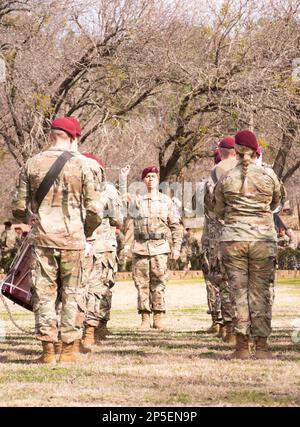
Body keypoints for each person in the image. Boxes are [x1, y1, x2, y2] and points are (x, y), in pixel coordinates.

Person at [12, 116, 104, 364]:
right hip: (73, 239)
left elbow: (18, 207)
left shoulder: (32, 164)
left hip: (42, 239)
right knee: (73, 294)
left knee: (43, 295)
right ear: (74, 137)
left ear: (51, 135)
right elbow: (95, 210)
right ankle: (68, 351)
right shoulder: (86, 166)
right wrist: (86, 231)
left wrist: (30, 216)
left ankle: (47, 351)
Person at [214, 130, 282, 359]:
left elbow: (218, 209)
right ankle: (262, 347)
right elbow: (275, 202)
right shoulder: (268, 175)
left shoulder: (225, 178)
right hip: (262, 239)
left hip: (234, 239)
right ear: (255, 150)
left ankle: (242, 347)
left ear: (236, 150)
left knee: (238, 292)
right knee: (261, 292)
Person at [121, 165, 183, 330]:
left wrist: (176, 248)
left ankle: (158, 317)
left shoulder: (166, 201)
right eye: (147, 176)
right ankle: (145, 318)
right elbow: (122, 200)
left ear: (157, 180)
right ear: (143, 180)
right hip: (141, 247)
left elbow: (176, 226)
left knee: (159, 283)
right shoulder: (137, 201)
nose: (150, 179)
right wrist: (123, 178)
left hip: (160, 248)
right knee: (141, 283)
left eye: (153, 176)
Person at [80, 153, 122, 352]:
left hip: (78, 243)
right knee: (99, 288)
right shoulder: (110, 190)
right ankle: (92, 331)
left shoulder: (73, 184)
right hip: (102, 244)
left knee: (78, 289)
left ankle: (79, 331)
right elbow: (117, 220)